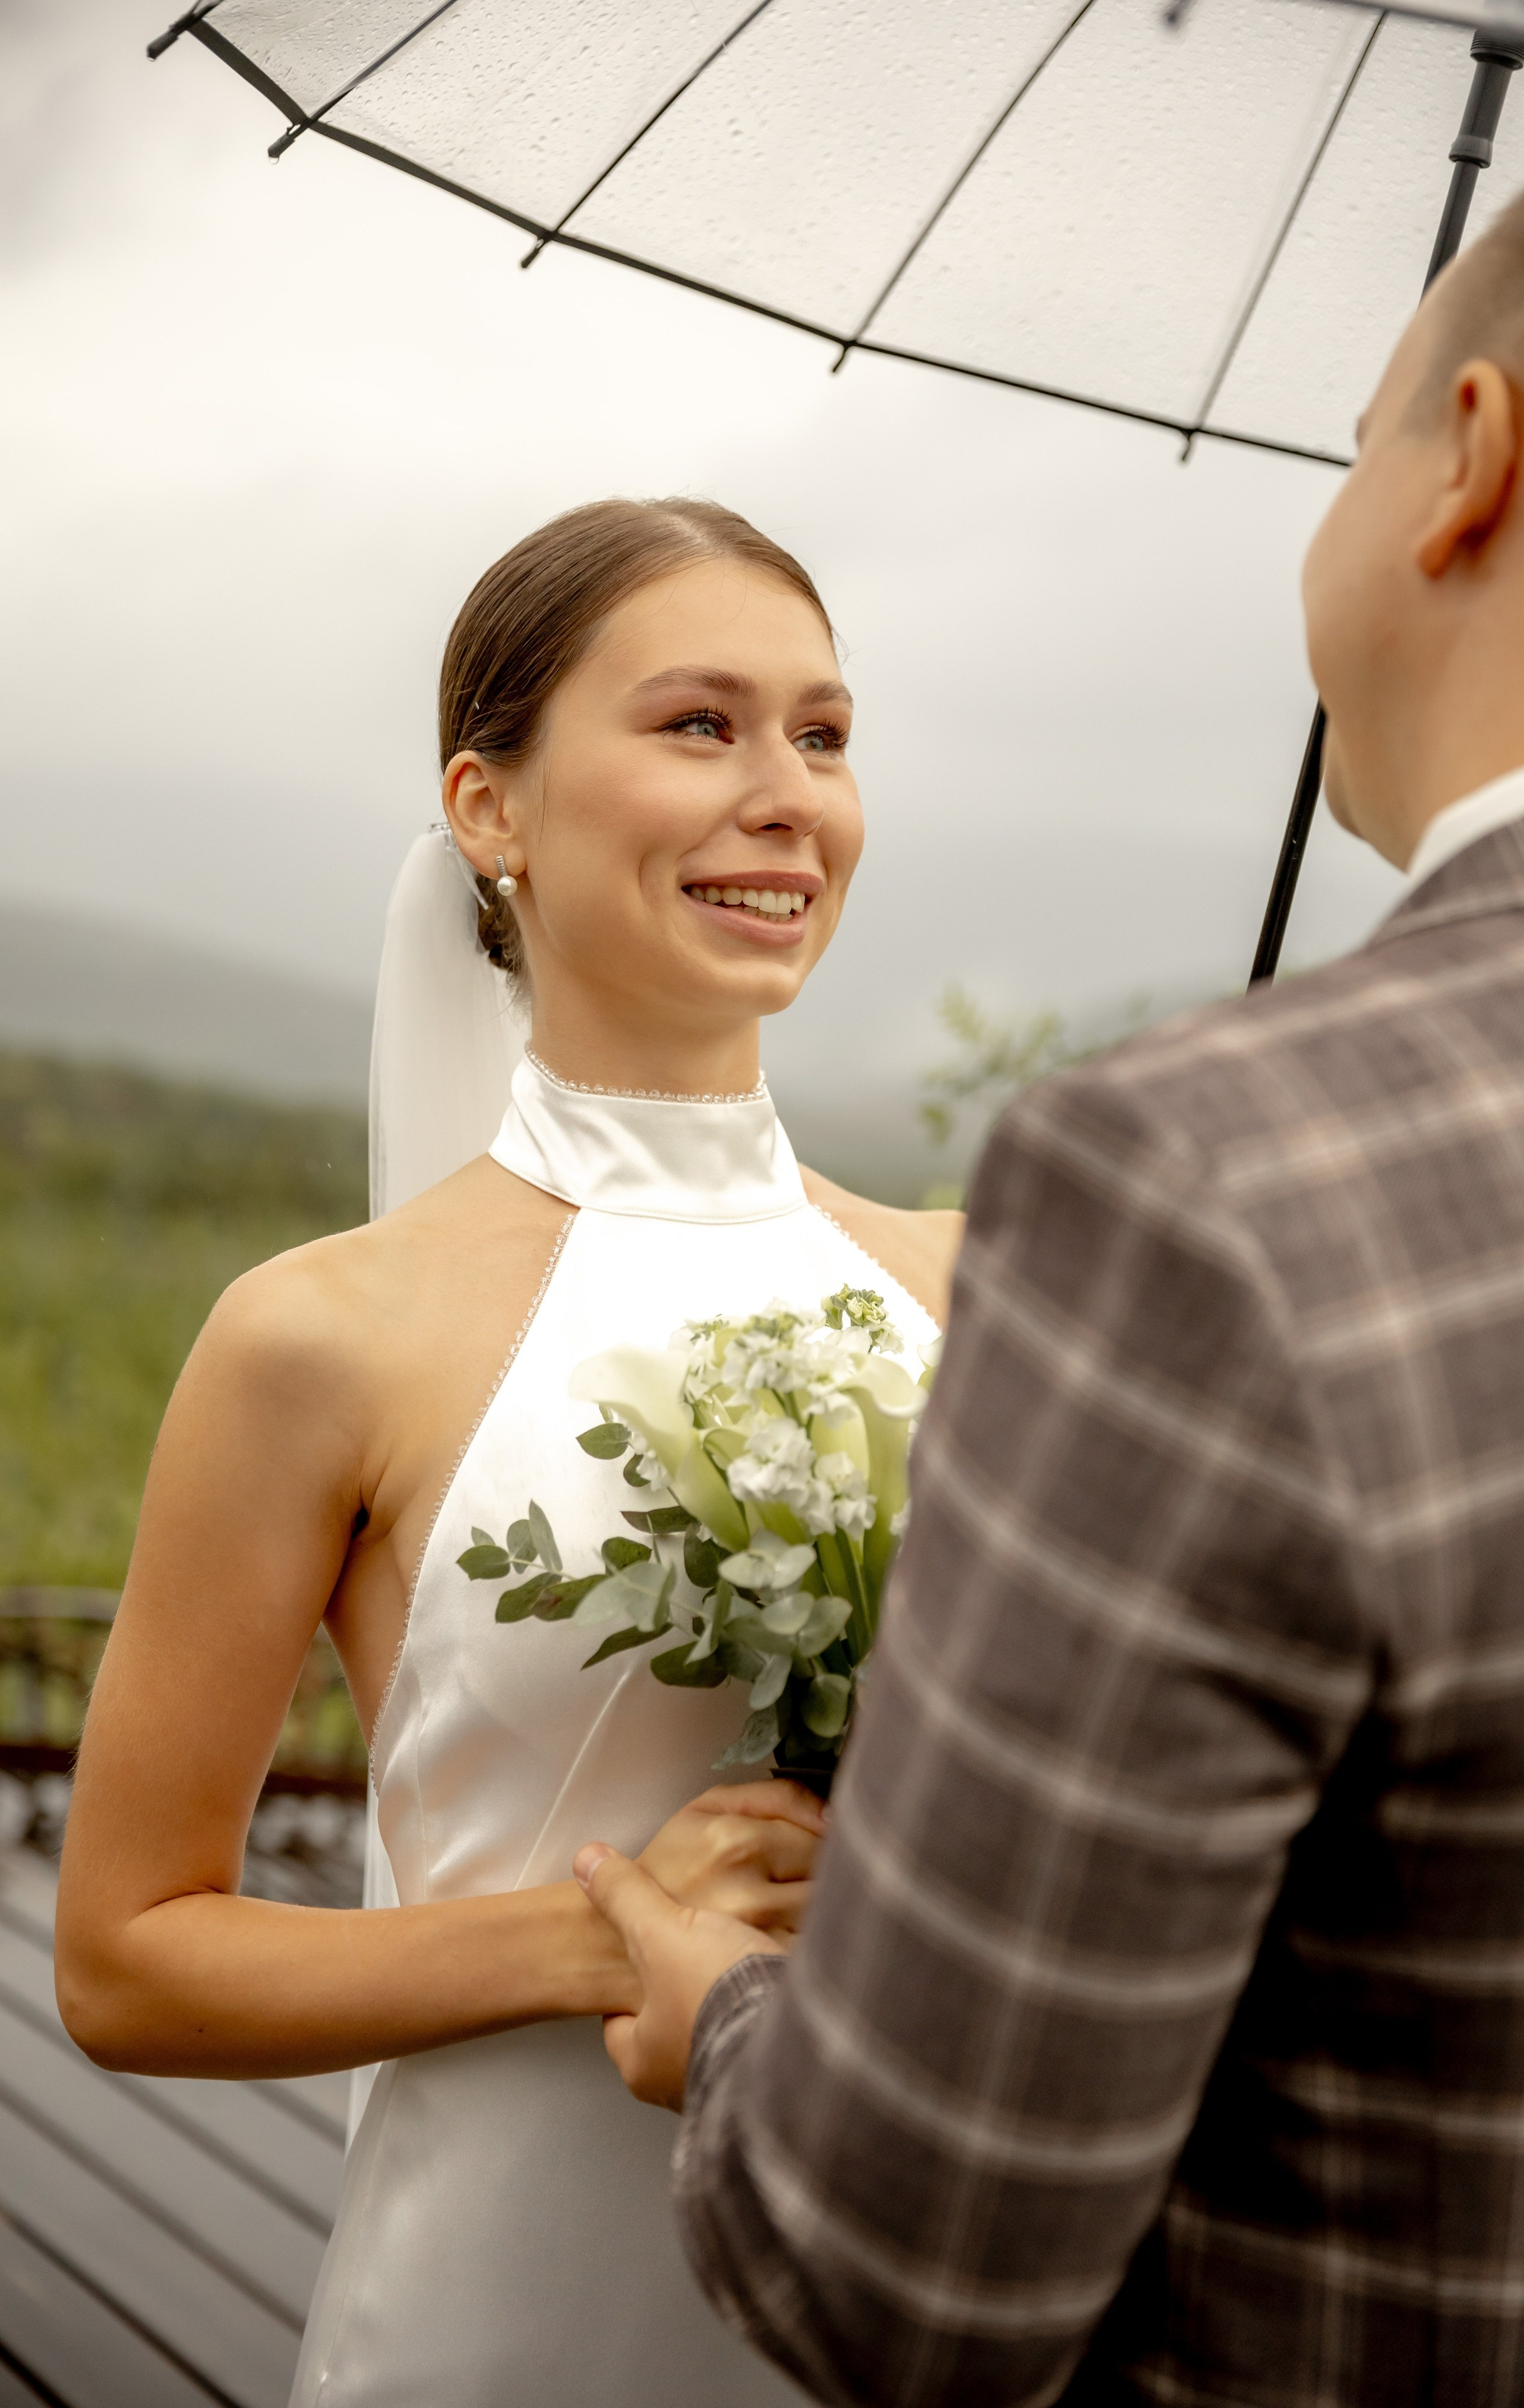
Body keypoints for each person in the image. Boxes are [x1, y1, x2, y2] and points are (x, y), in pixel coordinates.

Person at [575, 144, 1524, 2407]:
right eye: (698, 724)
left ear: (1469, 464)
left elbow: (906, 2276)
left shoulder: (1211, 1191)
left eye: (1349, 448)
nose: (780, 792)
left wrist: (717, 2008)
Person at [53, 497, 963, 2406]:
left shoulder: (983, 1283)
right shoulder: (321, 1335)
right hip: (510, 2322)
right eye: (700, 724)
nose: (789, 793)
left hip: (915, 2280)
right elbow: (127, 1960)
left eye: (824, 732)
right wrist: (589, 1942)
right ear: (491, 809)